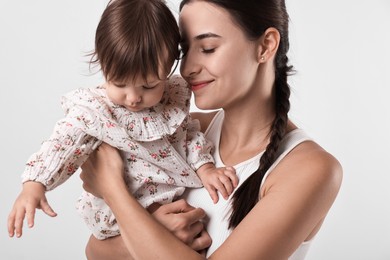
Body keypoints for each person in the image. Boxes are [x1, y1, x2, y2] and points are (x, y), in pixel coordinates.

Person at [81, 0, 343, 259]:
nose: (187, 69)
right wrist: (153, 233)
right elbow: (95, 251)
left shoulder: (310, 169)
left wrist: (112, 188)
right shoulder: (183, 133)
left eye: (207, 48)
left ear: (265, 46)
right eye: (184, 50)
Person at [7, 0, 238, 241]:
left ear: (170, 66)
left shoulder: (172, 99)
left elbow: (188, 136)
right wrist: (34, 185)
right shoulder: (95, 110)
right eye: (119, 83)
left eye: (149, 85)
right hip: (116, 212)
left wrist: (206, 168)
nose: (134, 97)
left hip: (168, 197)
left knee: (197, 233)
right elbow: (61, 144)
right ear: (103, 65)